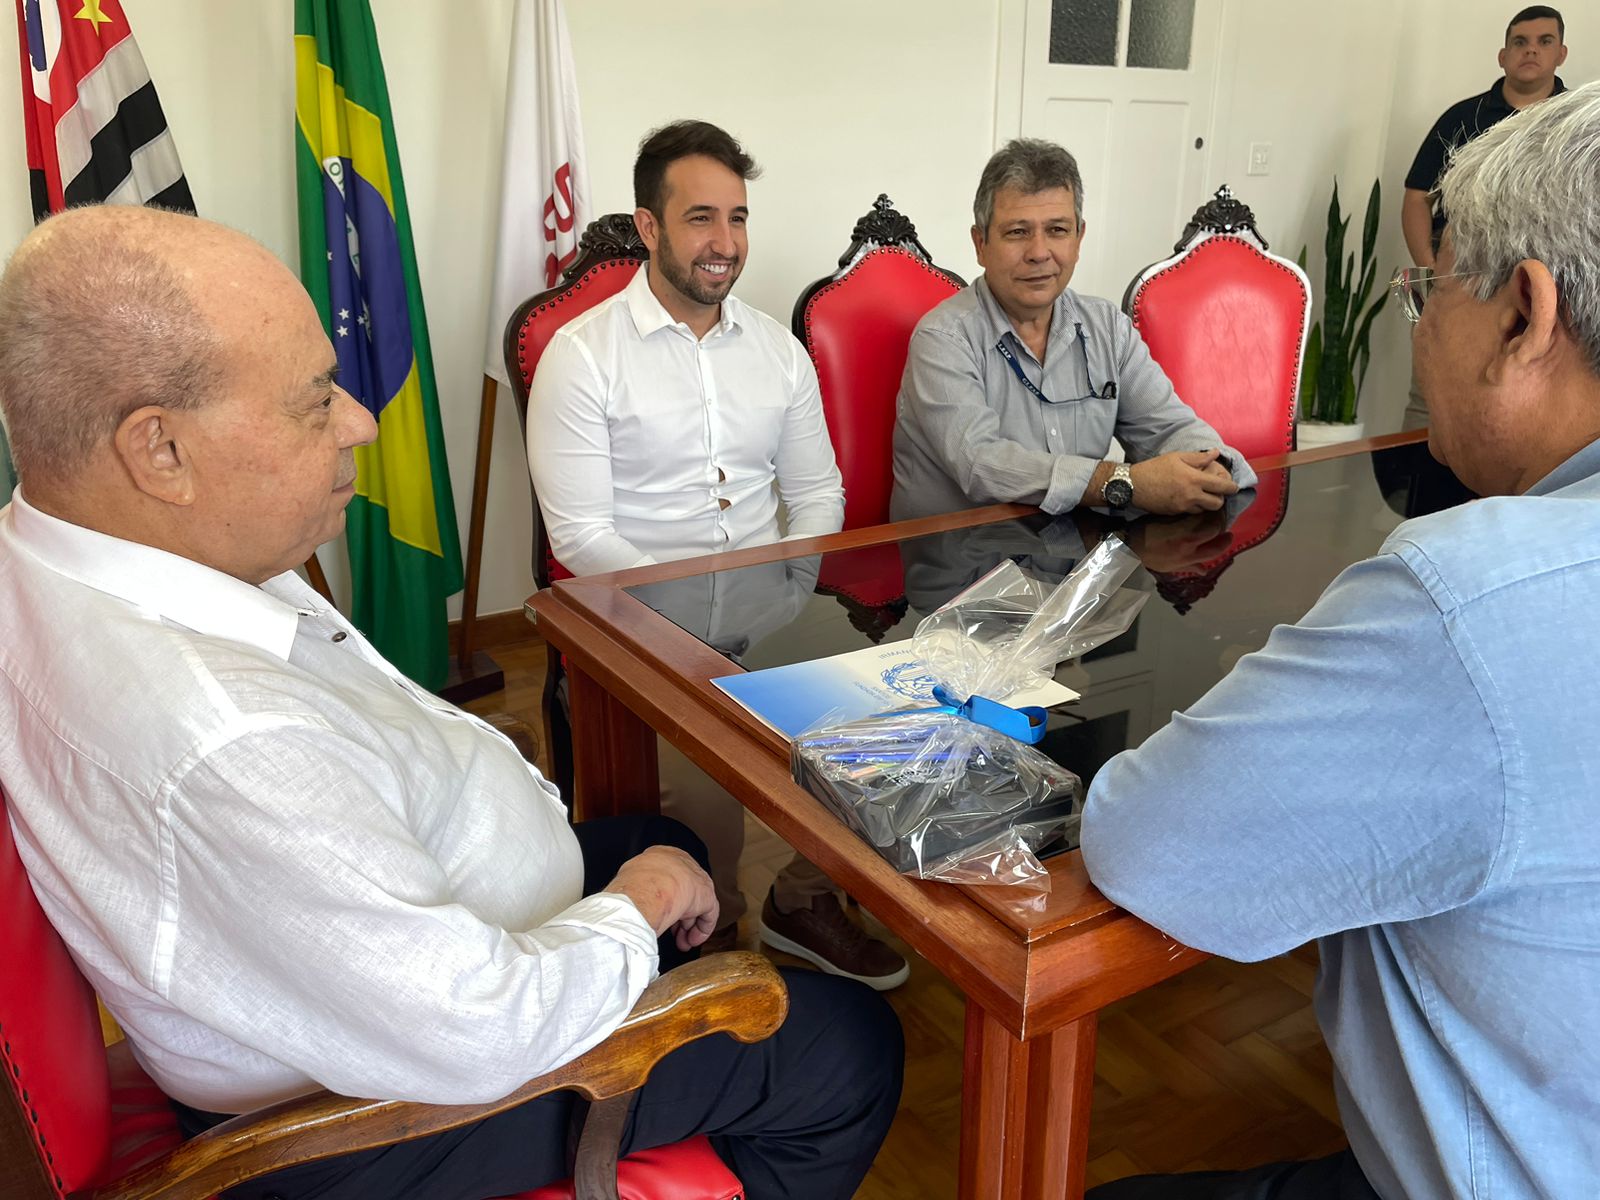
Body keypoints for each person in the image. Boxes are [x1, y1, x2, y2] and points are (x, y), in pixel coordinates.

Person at [0, 205, 902, 1200]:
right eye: (316, 399)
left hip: (386, 945)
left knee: (667, 838)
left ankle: (665, 994)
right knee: (846, 1047)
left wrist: (619, 876)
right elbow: (483, 1026)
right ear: (160, 452)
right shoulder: (222, 735)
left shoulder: (81, 546)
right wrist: (637, 903)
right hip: (378, 1102)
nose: (360, 420)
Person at [1081, 81, 1600, 1199]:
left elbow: (1145, 843)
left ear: (1525, 314)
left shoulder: (1468, 597)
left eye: (1427, 289)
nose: (1417, 324)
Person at [526, 120, 909, 989]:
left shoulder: (777, 349)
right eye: (701, 218)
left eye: (737, 218)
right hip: (642, 627)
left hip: (771, 610)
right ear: (650, 226)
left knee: (893, 723)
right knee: (706, 800)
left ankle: (802, 900)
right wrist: (684, 631)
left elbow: (818, 494)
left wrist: (789, 598)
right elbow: (580, 536)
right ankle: (712, 943)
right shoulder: (581, 358)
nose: (725, 243)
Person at [891, 137, 1256, 523]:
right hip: (961, 550)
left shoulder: (1108, 329)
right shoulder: (943, 338)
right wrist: (1124, 482)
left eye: (1057, 230)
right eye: (1017, 232)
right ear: (980, 244)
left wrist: (1211, 466)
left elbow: (1168, 426)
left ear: (1079, 239)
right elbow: (982, 465)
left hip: (1076, 548)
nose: (1039, 252)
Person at [1399, 5, 1568, 429]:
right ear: (1503, 56)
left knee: (1524, 401)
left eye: (1544, 41)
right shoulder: (1463, 118)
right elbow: (1417, 197)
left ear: (1561, 54)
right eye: (1520, 42)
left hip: (1546, 289)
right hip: (1461, 279)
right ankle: (1413, 473)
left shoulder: (1577, 124)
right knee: (1431, 397)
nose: (1531, 50)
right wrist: (1431, 270)